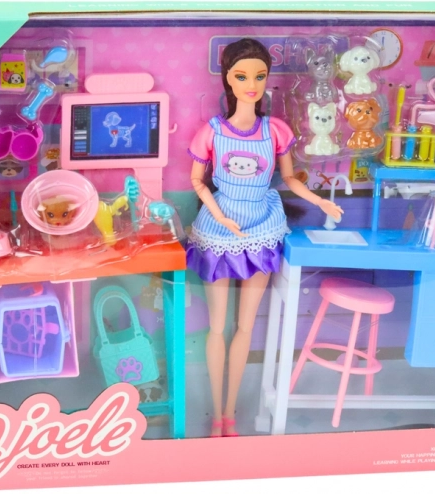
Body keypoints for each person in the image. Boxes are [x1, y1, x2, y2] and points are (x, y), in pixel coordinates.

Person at [185, 38, 343, 437]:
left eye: (259, 76)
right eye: (242, 76)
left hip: (261, 223)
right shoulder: (211, 131)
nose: (251, 84)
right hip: (219, 227)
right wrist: (219, 215)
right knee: (217, 327)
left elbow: (288, 177)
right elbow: (197, 182)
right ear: (228, 79)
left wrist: (319, 201)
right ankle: (215, 413)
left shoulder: (275, 130)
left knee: (245, 326)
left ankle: (229, 414)